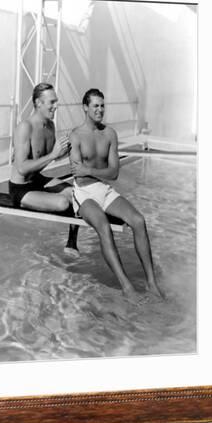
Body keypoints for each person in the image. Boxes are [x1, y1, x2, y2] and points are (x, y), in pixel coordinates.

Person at [69, 88, 163, 301]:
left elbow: (114, 173)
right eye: (95, 106)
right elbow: (79, 176)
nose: (100, 110)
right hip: (83, 193)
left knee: (139, 221)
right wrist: (88, 173)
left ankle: (152, 283)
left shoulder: (109, 134)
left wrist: (91, 171)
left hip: (103, 187)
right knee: (102, 225)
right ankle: (127, 286)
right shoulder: (76, 136)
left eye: (102, 106)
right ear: (85, 108)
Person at [9, 83, 79, 254]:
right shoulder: (25, 127)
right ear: (38, 103)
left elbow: (50, 157)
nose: (56, 106)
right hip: (21, 188)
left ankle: (72, 243)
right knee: (63, 203)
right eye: (52, 102)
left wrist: (65, 150)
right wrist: (54, 155)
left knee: (77, 194)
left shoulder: (50, 126)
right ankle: (30, 203)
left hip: (37, 180)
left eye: (56, 102)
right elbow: (22, 168)